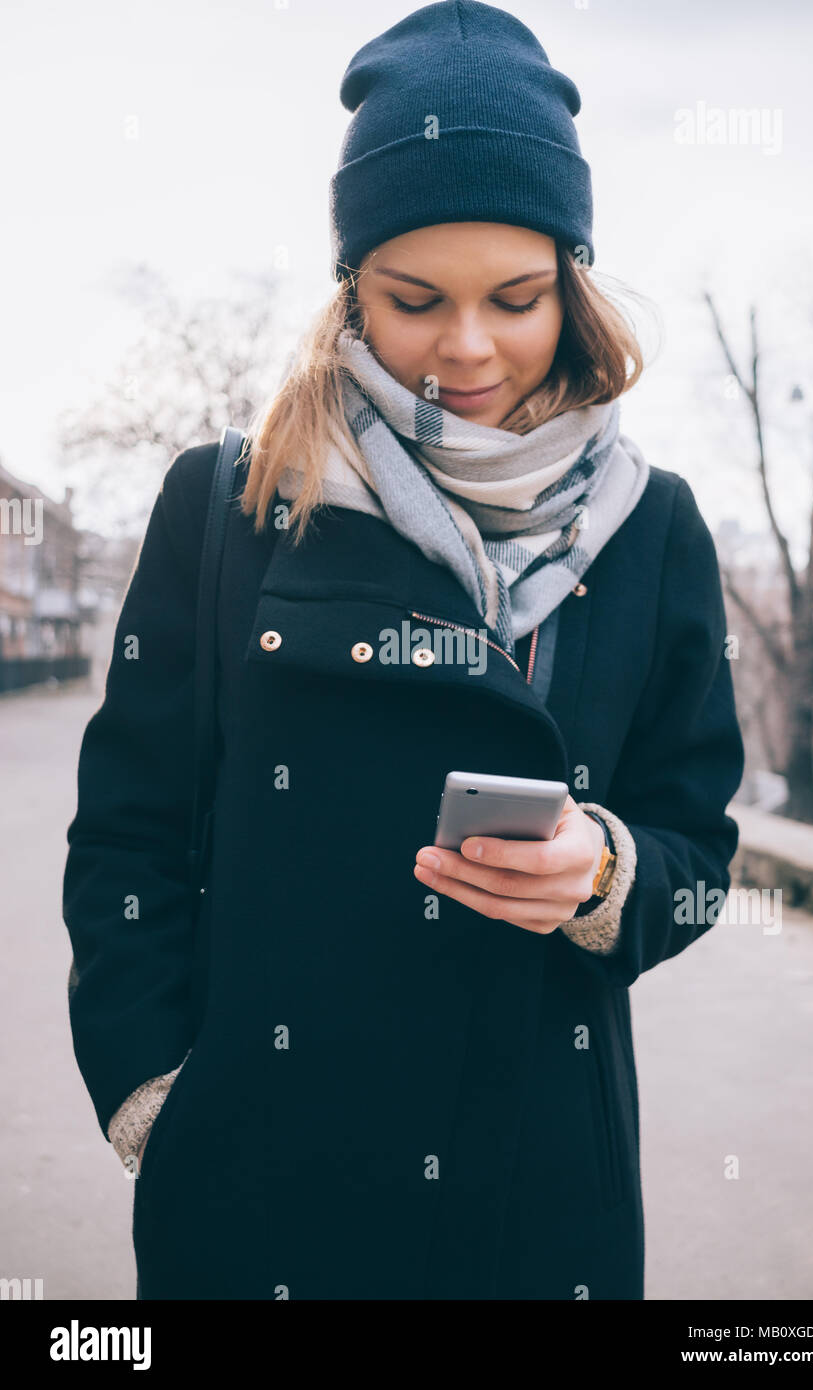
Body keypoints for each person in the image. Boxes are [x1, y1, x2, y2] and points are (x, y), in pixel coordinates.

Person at [62, 0, 744, 1300]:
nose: (468, 347)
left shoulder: (652, 528)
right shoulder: (228, 505)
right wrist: (156, 1093)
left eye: (519, 296)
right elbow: (127, 836)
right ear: (349, 288)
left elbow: (698, 853)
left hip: (539, 1191)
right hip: (264, 1185)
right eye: (414, 298)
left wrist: (605, 874)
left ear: (573, 280)